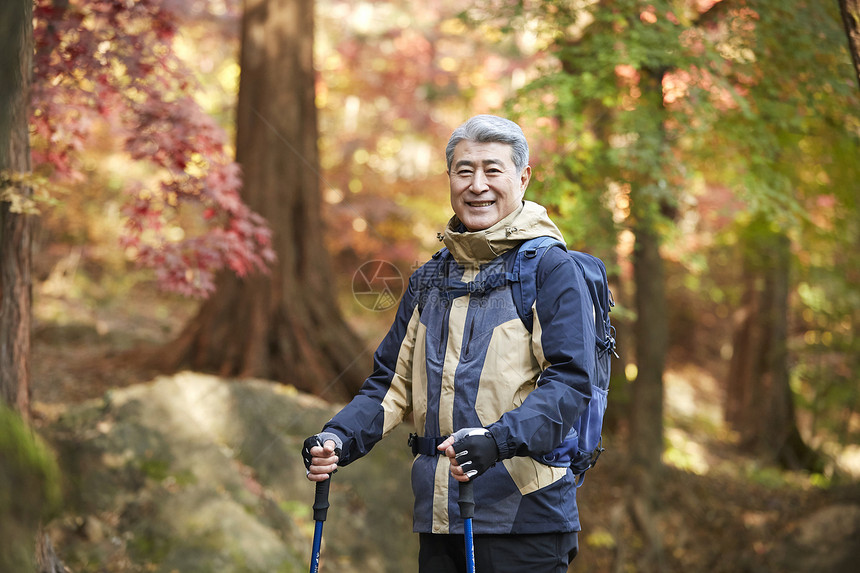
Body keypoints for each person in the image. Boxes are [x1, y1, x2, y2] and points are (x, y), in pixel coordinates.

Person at [302, 114, 596, 572]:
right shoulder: (430, 279)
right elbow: (390, 387)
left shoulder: (550, 269)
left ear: (522, 177)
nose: (477, 184)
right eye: (465, 170)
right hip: (440, 521)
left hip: (526, 523)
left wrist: (496, 441)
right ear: (450, 179)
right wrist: (338, 437)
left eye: (492, 170)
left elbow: (570, 384)